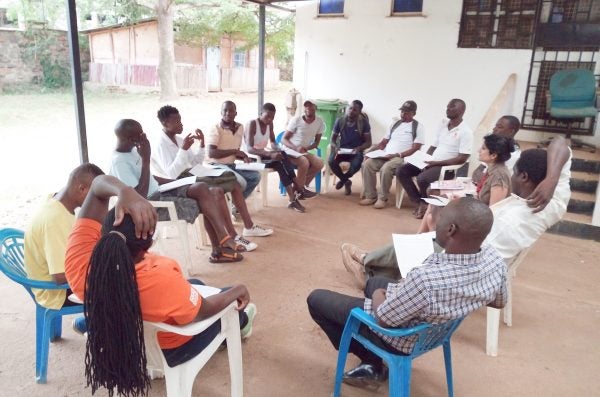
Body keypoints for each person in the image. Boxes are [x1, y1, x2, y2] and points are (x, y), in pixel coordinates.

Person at [64, 175, 257, 397]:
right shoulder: (161, 279)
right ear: (146, 246)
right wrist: (237, 290)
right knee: (227, 300)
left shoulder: (79, 263)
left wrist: (124, 191)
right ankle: (243, 320)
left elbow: (97, 186)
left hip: (128, 337)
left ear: (102, 234)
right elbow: (202, 311)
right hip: (171, 348)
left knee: (196, 285)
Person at [307, 198, 506, 388]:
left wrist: (379, 295)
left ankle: (371, 362)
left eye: (441, 215)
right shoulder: (495, 260)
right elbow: (499, 302)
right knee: (374, 281)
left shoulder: (426, 279)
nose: (435, 219)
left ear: (450, 229)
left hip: (402, 337)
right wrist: (462, 298)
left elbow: (384, 319)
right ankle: (372, 350)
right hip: (435, 330)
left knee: (317, 299)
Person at [341, 136, 571, 287]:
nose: (511, 177)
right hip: (476, 256)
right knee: (430, 229)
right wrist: (551, 179)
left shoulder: (513, 222)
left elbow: (465, 256)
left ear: (523, 177)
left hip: (467, 266)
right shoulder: (553, 202)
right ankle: (369, 265)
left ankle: (367, 265)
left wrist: (442, 229)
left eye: (515, 172)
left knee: (425, 241)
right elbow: (561, 143)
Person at [110, 118, 252, 261]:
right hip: (153, 204)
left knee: (208, 189)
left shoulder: (133, 151)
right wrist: (146, 160)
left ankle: (222, 242)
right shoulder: (119, 163)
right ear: (131, 139)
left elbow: (149, 177)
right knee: (210, 198)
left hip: (162, 190)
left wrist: (178, 182)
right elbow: (138, 196)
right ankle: (220, 248)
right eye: (141, 135)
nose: (144, 137)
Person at [152, 105, 273, 241]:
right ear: (165, 123)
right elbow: (172, 173)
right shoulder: (160, 144)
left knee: (232, 181)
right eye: (176, 121)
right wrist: (183, 150)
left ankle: (249, 227)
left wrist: (202, 145)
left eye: (180, 119)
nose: (181, 123)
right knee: (218, 191)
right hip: (180, 180)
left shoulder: (180, 140)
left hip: (194, 172)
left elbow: (195, 163)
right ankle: (233, 235)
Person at [24, 163, 104, 334]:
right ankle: (90, 324)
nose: (98, 203)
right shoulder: (55, 220)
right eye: (96, 197)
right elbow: (60, 276)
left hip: (48, 276)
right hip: (55, 292)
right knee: (119, 283)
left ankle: (92, 320)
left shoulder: (56, 201)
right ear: (81, 189)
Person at [396, 98, 473, 219]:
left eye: (453, 107)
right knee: (402, 170)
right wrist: (423, 158)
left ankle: (424, 203)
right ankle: (419, 201)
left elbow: (462, 158)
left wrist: (436, 163)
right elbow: (434, 145)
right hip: (432, 162)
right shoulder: (443, 125)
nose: (449, 109)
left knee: (422, 178)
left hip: (446, 167)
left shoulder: (466, 132)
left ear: (462, 111)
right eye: (448, 106)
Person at [360, 100, 425, 208]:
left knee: (386, 168)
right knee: (367, 164)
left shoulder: (418, 127)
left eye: (407, 112)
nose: (403, 114)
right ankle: (370, 196)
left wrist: (398, 155)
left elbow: (416, 148)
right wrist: (370, 152)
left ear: (414, 113)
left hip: (402, 157)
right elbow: (383, 143)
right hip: (386, 155)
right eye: (402, 112)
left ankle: (382, 198)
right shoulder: (395, 124)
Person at [244, 103, 306, 213]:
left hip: (263, 155)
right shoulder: (252, 123)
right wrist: (269, 154)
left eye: (272, 117)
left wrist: (276, 149)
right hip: (252, 158)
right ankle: (298, 188)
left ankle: (293, 198)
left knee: (282, 156)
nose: (269, 119)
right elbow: (249, 149)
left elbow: (273, 142)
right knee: (281, 162)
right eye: (267, 116)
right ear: (260, 113)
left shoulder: (270, 124)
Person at [206, 101, 261, 200]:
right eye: (225, 110)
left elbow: (233, 150)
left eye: (231, 110)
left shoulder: (240, 127)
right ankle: (233, 203)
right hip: (215, 165)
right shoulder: (216, 128)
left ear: (236, 113)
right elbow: (211, 153)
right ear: (221, 112)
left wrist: (243, 157)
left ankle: (236, 205)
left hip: (230, 165)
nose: (227, 113)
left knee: (255, 176)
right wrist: (234, 151)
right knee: (241, 182)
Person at [281, 100, 325, 198]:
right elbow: (283, 139)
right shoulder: (296, 120)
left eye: (311, 106)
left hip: (302, 151)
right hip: (289, 150)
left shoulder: (319, 122)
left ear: (315, 108)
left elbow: (316, 143)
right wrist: (296, 148)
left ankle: (298, 188)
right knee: (304, 162)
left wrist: (306, 148)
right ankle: (300, 189)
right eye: (306, 107)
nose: (308, 108)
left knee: (319, 163)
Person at [328, 100, 372, 195]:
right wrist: (335, 146)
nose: (351, 111)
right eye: (350, 108)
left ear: (359, 112)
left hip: (355, 151)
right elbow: (332, 140)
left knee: (356, 164)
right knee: (331, 161)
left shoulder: (363, 123)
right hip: (341, 150)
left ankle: (344, 179)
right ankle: (346, 181)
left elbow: (369, 142)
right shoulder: (340, 121)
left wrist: (359, 148)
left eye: (355, 110)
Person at [472, 115, 521, 185]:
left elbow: (495, 180)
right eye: (495, 126)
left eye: (499, 127)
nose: (494, 129)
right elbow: (476, 173)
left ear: (511, 131)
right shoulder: (494, 147)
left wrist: (482, 178)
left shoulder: (513, 155)